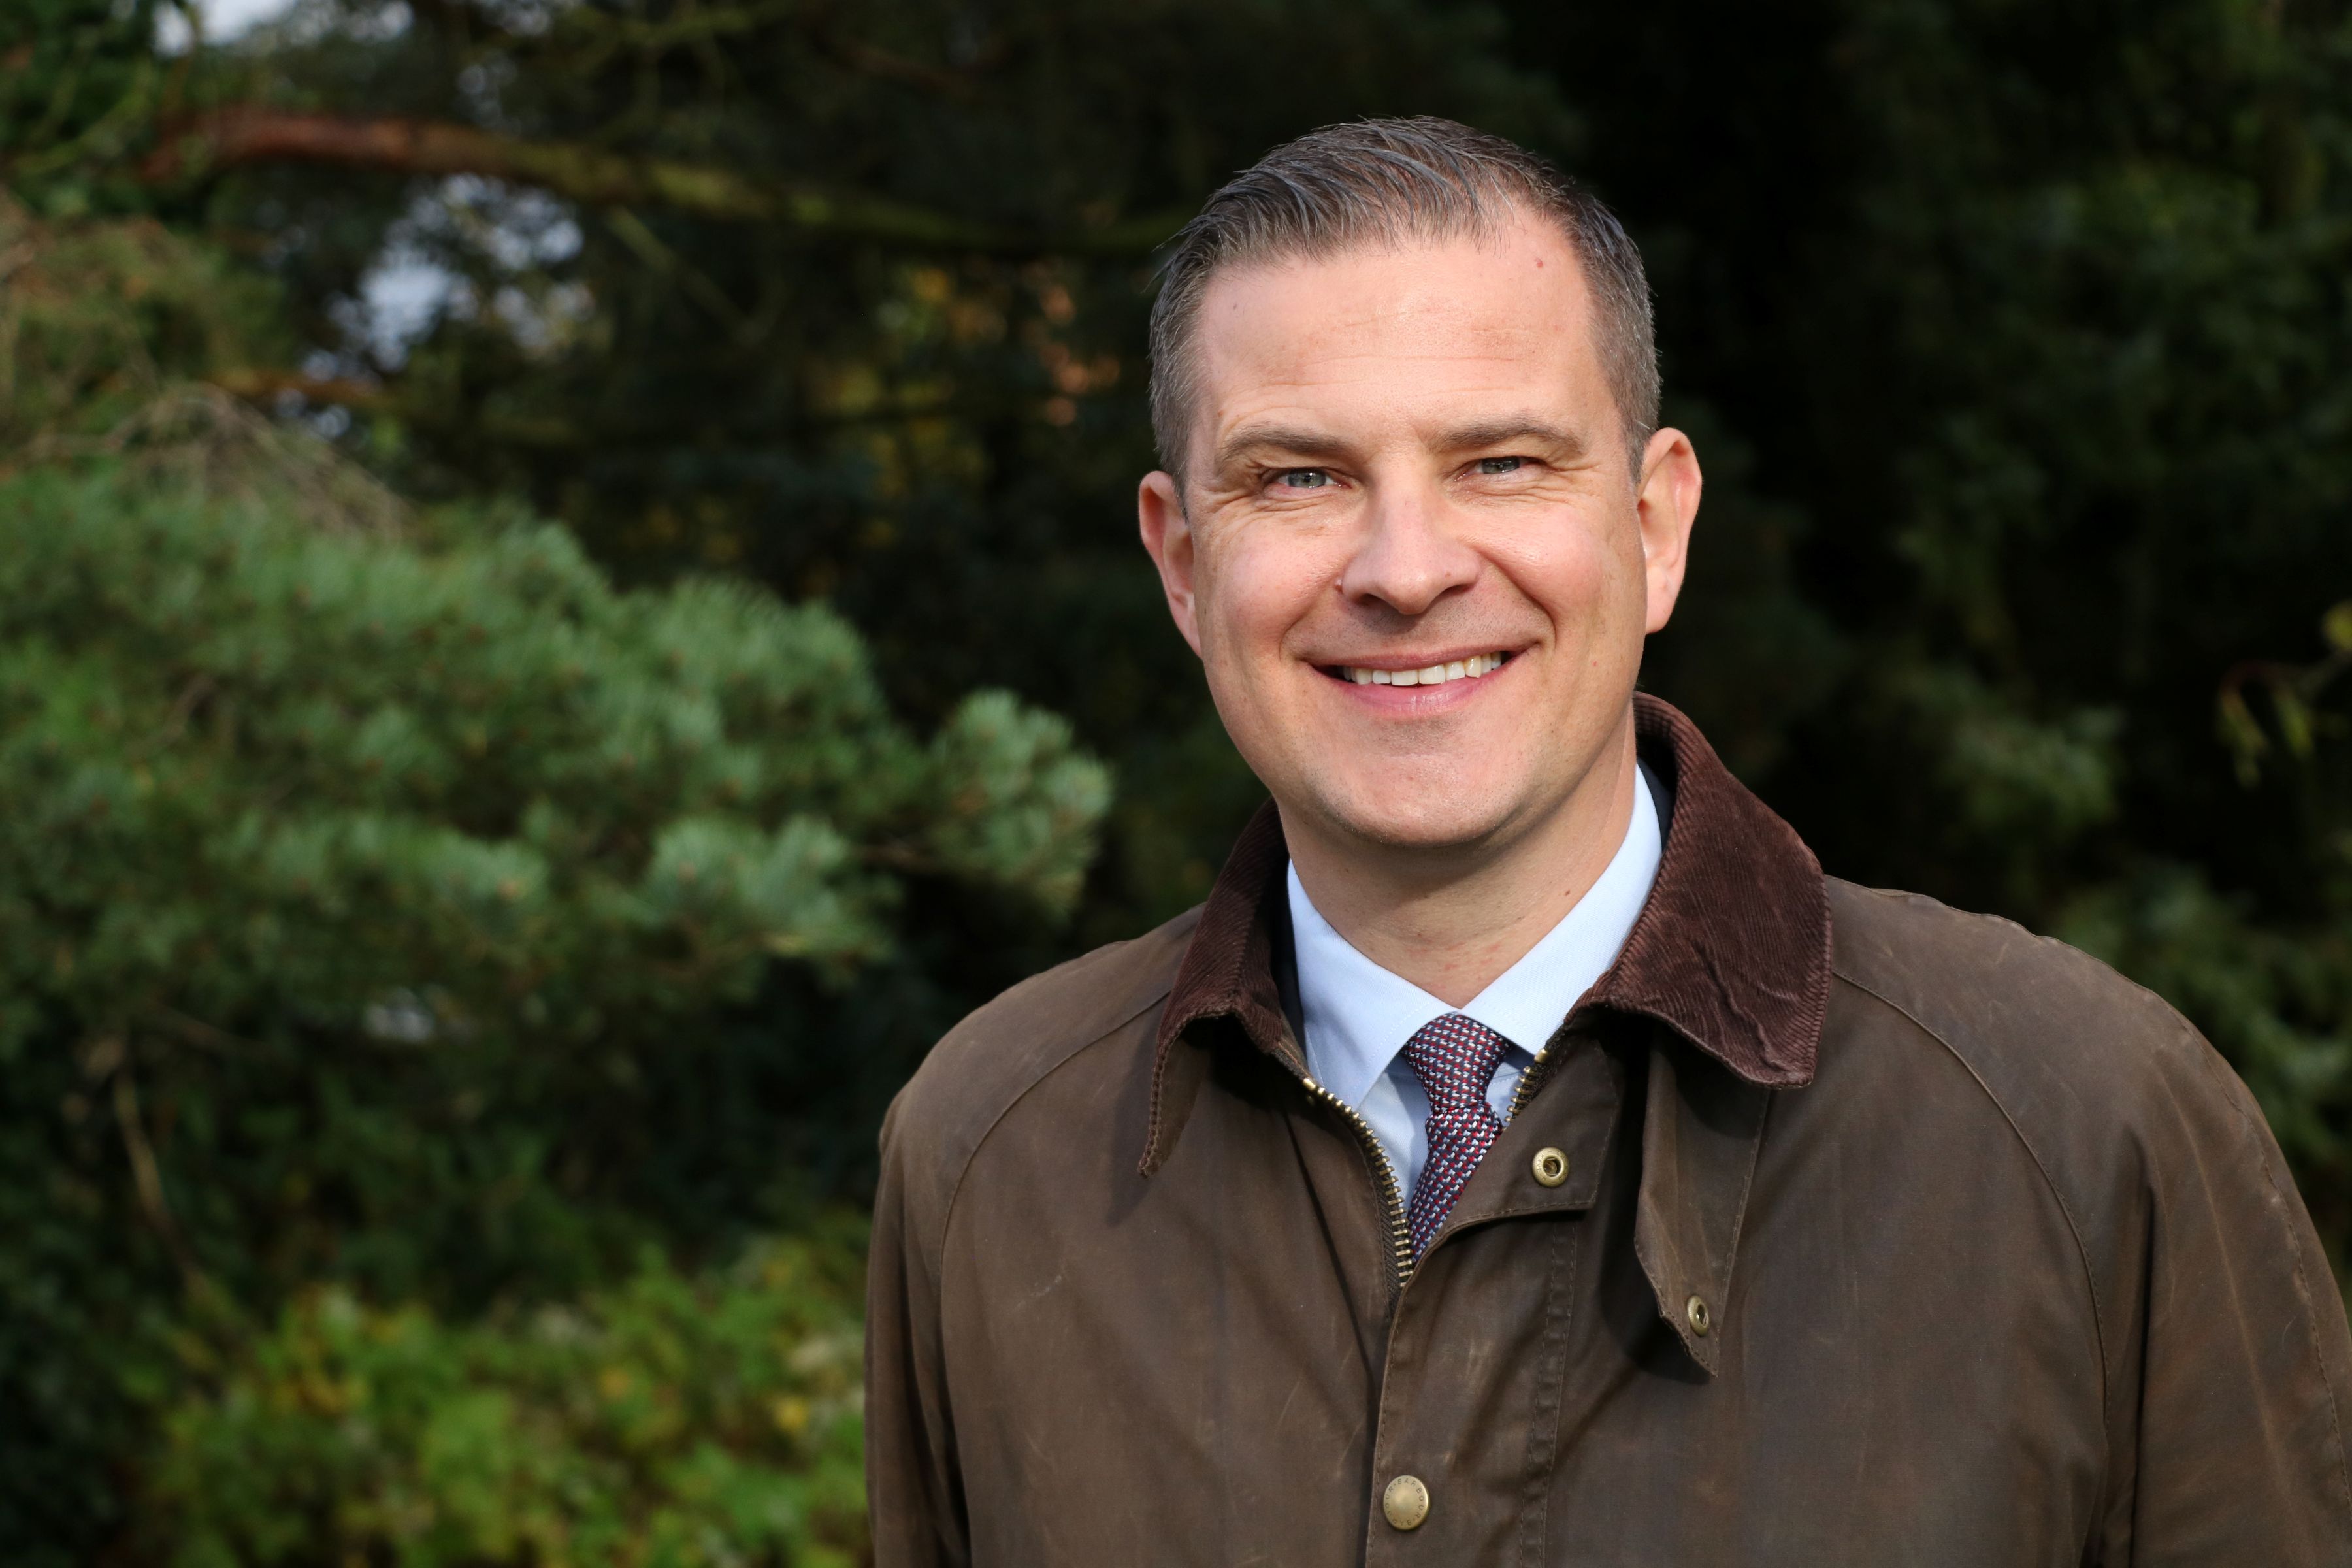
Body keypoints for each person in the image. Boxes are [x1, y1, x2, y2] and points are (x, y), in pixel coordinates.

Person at [864, 117, 2352, 1563]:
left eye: (1501, 462)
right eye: (1300, 477)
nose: (1406, 569)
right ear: (1182, 564)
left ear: (1658, 527)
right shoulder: (991, 1157)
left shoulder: (2085, 1131)